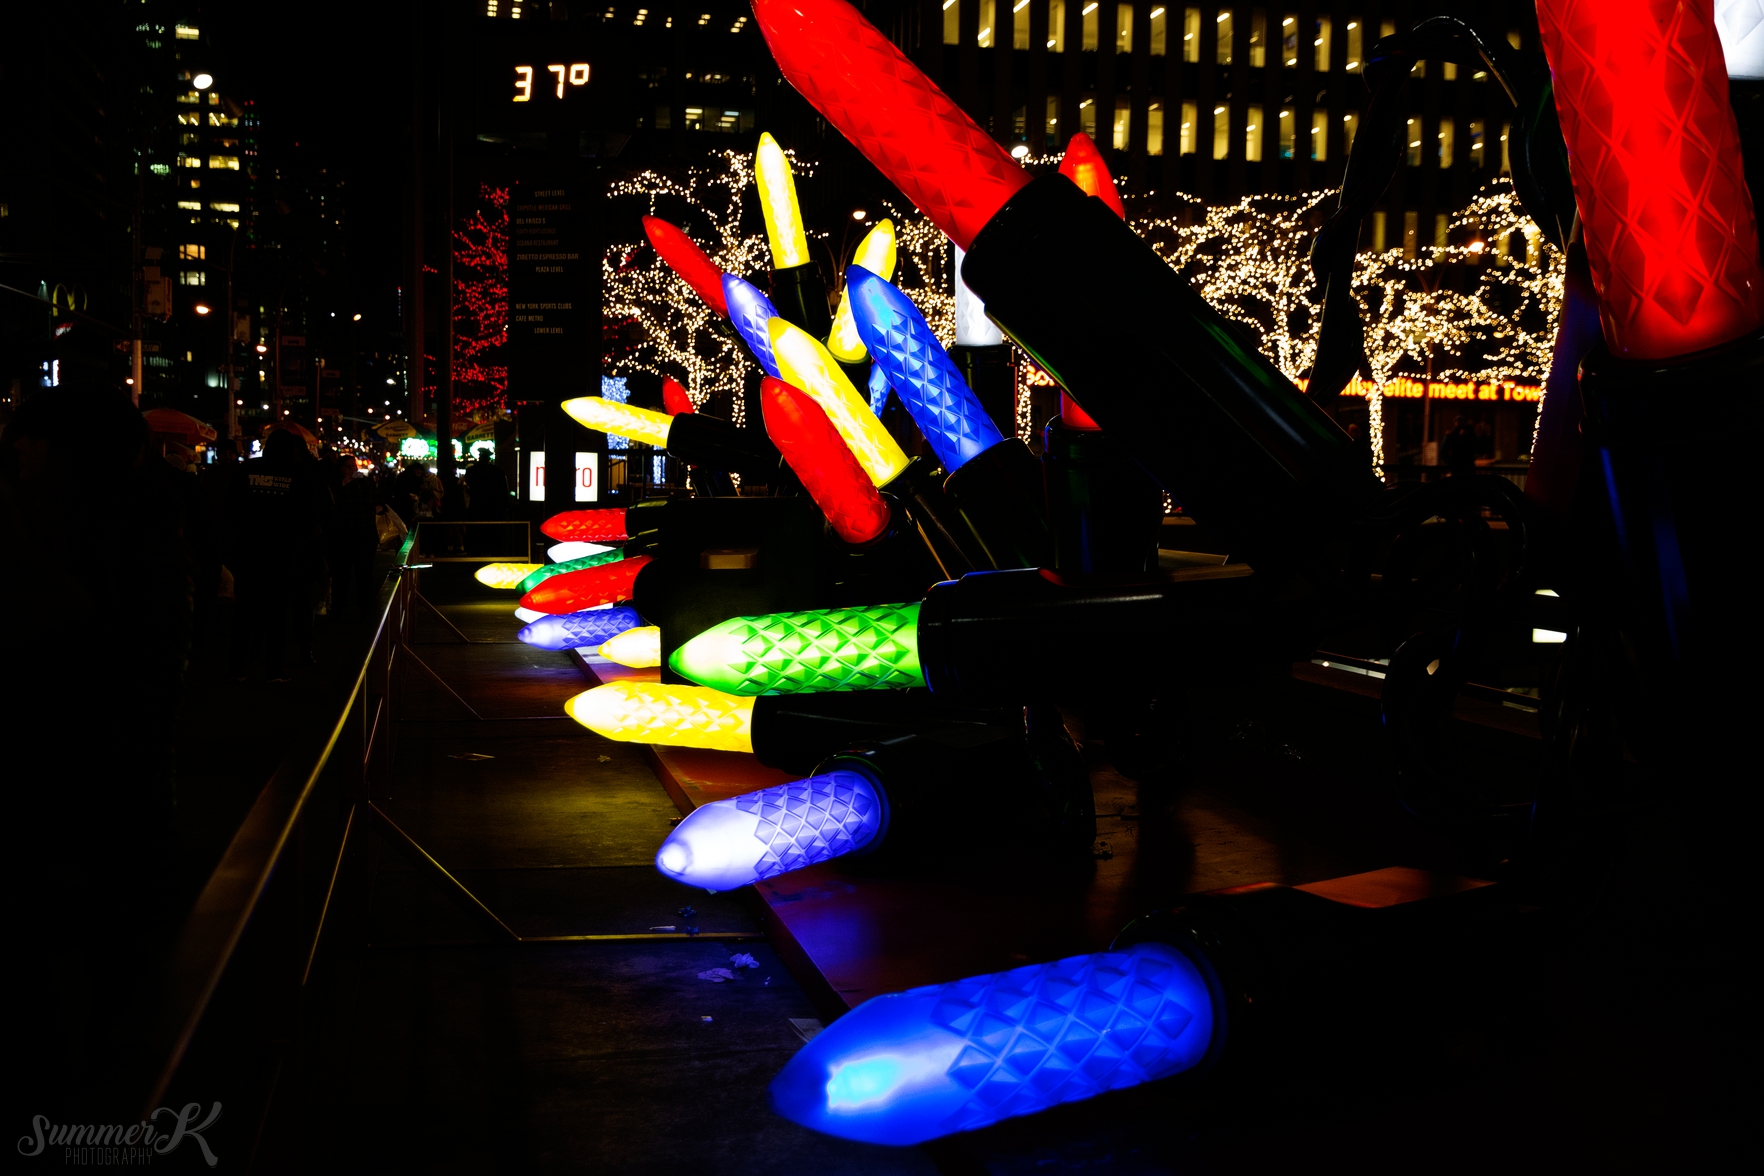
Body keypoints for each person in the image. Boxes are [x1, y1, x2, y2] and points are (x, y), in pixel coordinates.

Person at [225, 428, 332, 681]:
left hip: (249, 549)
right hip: (283, 551)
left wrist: (240, 536)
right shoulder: (299, 473)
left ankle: (237, 667)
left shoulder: (247, 469)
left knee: (244, 609)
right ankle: (274, 667)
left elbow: (231, 507)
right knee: (277, 610)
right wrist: (296, 538)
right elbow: (311, 513)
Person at [330, 454, 382, 622]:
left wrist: (377, 506)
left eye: (353, 466)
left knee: (365, 576)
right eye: (348, 466)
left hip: (365, 533)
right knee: (341, 576)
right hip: (343, 535)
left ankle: (366, 612)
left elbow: (377, 500)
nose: (352, 469)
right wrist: (343, 484)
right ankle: (337, 612)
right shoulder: (335, 484)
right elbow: (330, 503)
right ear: (340, 468)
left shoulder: (364, 482)